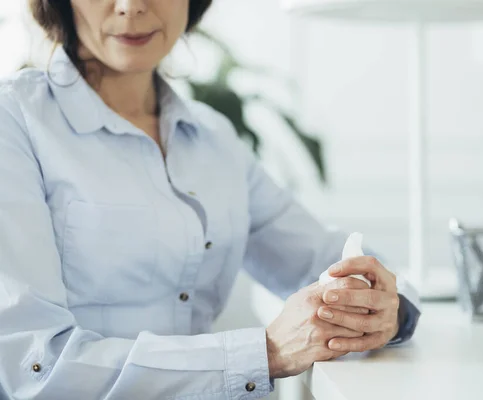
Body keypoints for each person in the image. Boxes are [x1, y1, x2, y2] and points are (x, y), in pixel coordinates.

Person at [0, 1, 421, 399]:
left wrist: (385, 309)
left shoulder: (213, 138)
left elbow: (322, 257)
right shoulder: (15, 121)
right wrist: (267, 351)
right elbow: (33, 365)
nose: (130, 5)